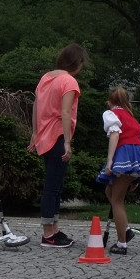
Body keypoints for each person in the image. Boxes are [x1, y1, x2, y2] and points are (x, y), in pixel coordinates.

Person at [28, 43, 88, 248]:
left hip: (45, 138)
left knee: (56, 186)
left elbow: (36, 105)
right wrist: (68, 142)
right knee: (52, 188)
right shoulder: (69, 81)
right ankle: (48, 234)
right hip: (58, 136)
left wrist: (35, 133)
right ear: (76, 63)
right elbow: (65, 112)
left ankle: (54, 229)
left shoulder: (46, 78)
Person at [95, 87, 140, 254]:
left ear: (110, 102)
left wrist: (110, 161)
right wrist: (135, 178)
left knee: (117, 200)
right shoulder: (131, 117)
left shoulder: (111, 114)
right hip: (137, 156)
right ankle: (126, 229)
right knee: (110, 191)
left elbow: (115, 135)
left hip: (124, 155)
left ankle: (122, 244)